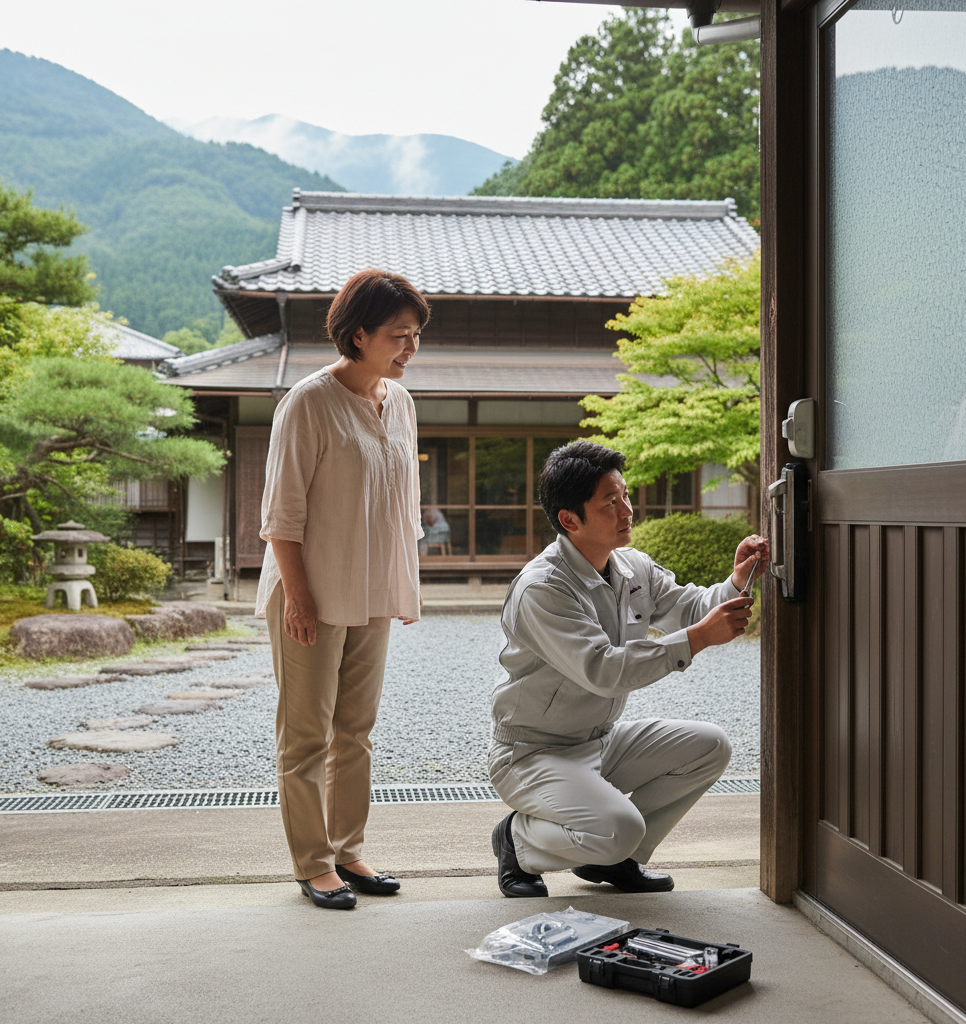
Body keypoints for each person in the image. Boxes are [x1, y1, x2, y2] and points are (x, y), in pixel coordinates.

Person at [488, 440, 768, 898]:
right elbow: (603, 670)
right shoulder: (542, 589)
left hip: (599, 739)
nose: (627, 510)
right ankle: (517, 841)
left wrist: (736, 580)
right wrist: (698, 638)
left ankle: (614, 861)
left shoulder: (631, 566)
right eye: (610, 502)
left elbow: (688, 608)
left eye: (625, 495)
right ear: (569, 520)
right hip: (533, 753)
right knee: (619, 827)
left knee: (710, 746)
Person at [256, 269, 430, 910]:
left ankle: (348, 850)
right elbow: (281, 515)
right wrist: (299, 598)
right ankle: (313, 863)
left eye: (416, 335)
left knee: (356, 729)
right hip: (310, 590)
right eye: (399, 335)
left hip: (370, 589)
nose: (410, 347)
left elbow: (403, 506)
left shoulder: (401, 402)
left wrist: (401, 585)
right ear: (359, 334)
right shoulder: (307, 402)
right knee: (307, 735)